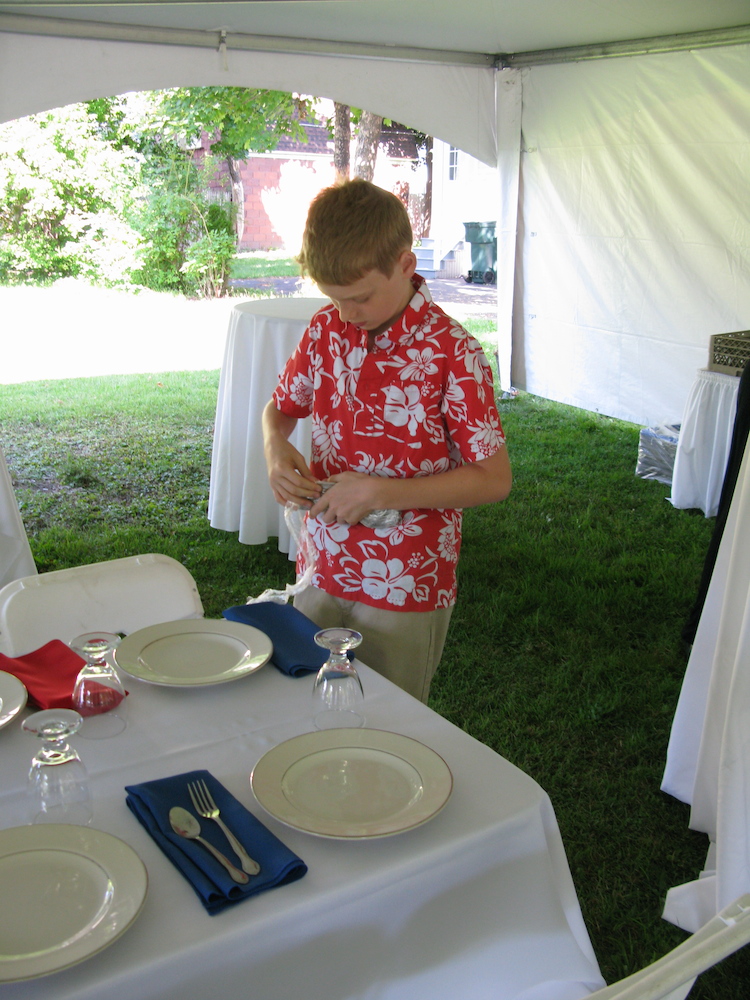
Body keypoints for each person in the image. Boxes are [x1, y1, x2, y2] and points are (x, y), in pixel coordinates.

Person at [262, 178, 511, 703]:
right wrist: (274, 447)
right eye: (334, 299)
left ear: (405, 264)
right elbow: (279, 410)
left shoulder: (453, 354)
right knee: (305, 700)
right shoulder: (325, 331)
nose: (346, 313)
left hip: (406, 578)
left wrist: (381, 492)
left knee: (388, 716)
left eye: (360, 297)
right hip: (324, 562)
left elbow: (493, 479)